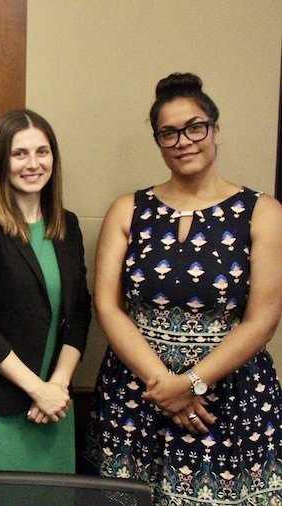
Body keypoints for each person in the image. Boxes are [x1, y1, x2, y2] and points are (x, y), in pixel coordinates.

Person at [87, 73, 282, 503]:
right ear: (158, 140)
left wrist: (191, 382)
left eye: (195, 127)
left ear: (215, 128)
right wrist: (164, 383)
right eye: (168, 133)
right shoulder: (127, 208)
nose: (183, 141)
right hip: (138, 391)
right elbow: (107, 305)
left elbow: (263, 319)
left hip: (228, 393)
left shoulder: (262, 212)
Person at [0, 109, 91, 473]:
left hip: (54, 408)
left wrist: (56, 387)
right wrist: (36, 389)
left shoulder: (67, 225)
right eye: (19, 154)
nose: (33, 163)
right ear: (1, 161)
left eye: (42, 152)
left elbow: (79, 313)